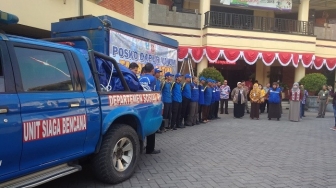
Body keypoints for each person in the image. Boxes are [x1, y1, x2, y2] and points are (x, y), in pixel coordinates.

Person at [138, 63, 160, 154]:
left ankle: (140, 148)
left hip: (140, 104)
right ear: (152, 70)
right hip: (150, 105)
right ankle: (150, 149)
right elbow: (156, 92)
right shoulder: (153, 79)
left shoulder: (140, 78)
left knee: (141, 126)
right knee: (151, 125)